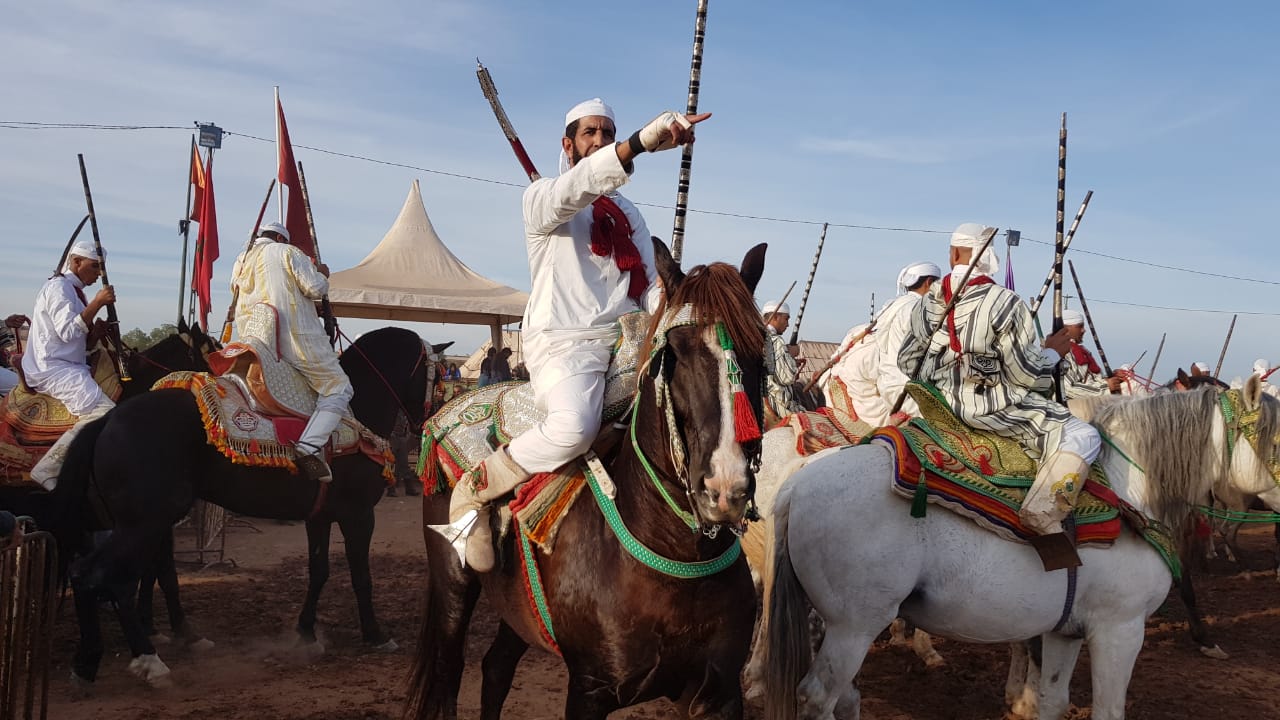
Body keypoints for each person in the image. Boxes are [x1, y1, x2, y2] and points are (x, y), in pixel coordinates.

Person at [438, 97, 708, 571]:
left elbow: (644, 286)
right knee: (575, 428)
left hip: (627, 341)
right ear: (568, 144)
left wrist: (676, 301)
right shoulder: (544, 198)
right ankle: (477, 485)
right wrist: (640, 144)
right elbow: (582, 185)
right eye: (591, 133)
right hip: (566, 343)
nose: (600, 140)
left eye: (608, 132)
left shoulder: (630, 214)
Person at [898, 223, 1101, 538]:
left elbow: (907, 362)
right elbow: (1026, 376)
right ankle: (1042, 512)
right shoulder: (1006, 302)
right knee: (1084, 435)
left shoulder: (927, 302)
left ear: (953, 254)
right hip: (989, 413)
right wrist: (1050, 355)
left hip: (936, 405)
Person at [229, 221, 352, 484]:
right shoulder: (288, 252)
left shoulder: (241, 260)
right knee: (339, 388)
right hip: (295, 339)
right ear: (279, 238)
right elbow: (315, 288)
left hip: (254, 339)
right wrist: (321, 273)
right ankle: (308, 447)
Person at [21, 240, 118, 488]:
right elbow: (66, 332)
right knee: (103, 411)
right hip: (52, 368)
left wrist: (96, 332)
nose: (98, 274)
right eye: (95, 267)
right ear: (76, 262)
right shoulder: (58, 288)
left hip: (71, 365)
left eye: (101, 269)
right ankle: (48, 468)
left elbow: (80, 342)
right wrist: (97, 303)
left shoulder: (76, 292)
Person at [822, 262, 940, 426]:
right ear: (929, 283)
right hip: (896, 383)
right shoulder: (919, 308)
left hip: (875, 374)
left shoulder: (893, 305)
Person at [1059, 309, 1121, 398]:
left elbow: (1090, 380)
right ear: (1066, 329)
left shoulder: (1080, 350)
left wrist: (1113, 378)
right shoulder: (1061, 351)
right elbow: (1067, 388)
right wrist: (1106, 387)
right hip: (1074, 407)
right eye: (1079, 326)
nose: (1083, 330)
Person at [762, 300, 804, 422]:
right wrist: (791, 353)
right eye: (786, 319)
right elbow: (787, 377)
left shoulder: (758, 336)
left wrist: (790, 359)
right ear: (776, 317)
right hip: (777, 402)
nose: (788, 324)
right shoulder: (777, 341)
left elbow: (770, 364)